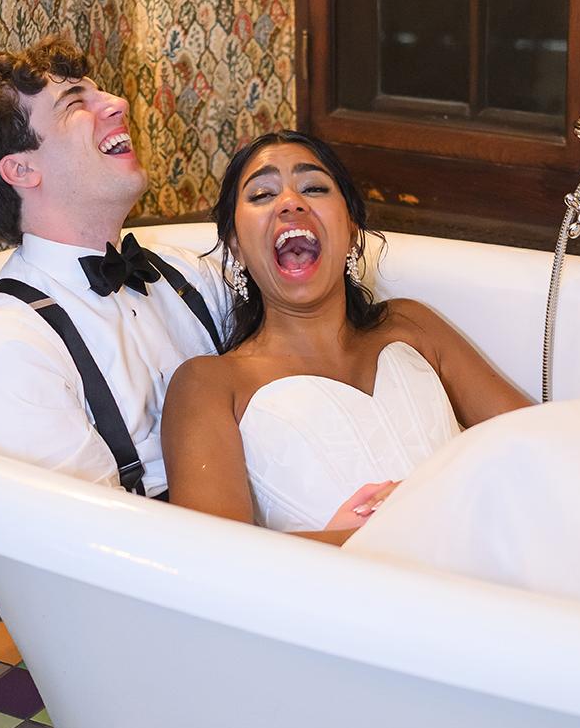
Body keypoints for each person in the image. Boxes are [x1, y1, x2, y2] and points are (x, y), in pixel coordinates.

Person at [161, 131, 531, 542]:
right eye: (263, 194)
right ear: (236, 248)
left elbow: (538, 443)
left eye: (314, 188)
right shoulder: (208, 385)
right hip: (344, 599)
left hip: (491, 563)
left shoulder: (411, 325)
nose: (290, 202)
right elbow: (215, 562)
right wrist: (356, 540)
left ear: (352, 232)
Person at [0, 36, 228, 497]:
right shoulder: (9, 351)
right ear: (22, 170)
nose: (119, 103)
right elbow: (83, 546)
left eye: (102, 92)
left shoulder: (187, 274)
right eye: (75, 103)